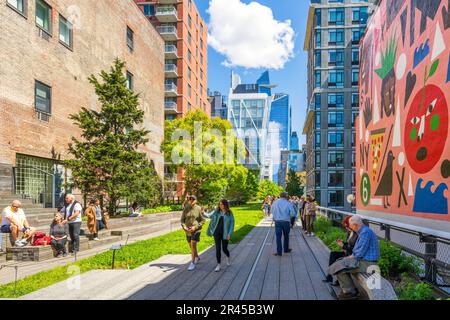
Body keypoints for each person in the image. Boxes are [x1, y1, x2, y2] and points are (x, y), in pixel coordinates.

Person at [334, 215, 380, 300]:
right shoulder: (363, 231)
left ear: (355, 225)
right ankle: (350, 291)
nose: (350, 227)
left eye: (350, 225)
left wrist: (348, 258)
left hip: (369, 264)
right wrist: (348, 258)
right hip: (363, 261)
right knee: (339, 263)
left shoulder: (365, 232)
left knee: (339, 267)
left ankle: (350, 292)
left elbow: (359, 253)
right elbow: (357, 251)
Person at [323, 216, 358, 284]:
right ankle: (329, 276)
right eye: (346, 227)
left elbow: (354, 249)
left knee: (340, 260)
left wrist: (343, 246)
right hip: (347, 253)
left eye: (347, 226)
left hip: (351, 255)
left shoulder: (357, 234)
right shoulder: (349, 232)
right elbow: (348, 244)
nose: (346, 228)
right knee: (333, 254)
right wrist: (343, 243)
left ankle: (339, 280)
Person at [206, 199, 235, 272]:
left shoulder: (229, 213)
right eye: (220, 204)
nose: (221, 206)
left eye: (222, 204)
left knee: (224, 248)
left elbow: (232, 224)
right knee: (218, 248)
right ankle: (218, 264)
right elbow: (209, 216)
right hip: (217, 232)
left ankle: (228, 257)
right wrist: (202, 212)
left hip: (225, 233)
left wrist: (229, 234)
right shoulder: (217, 212)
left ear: (225, 205)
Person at [181, 195, 205, 271]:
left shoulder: (198, 208)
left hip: (196, 230)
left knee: (193, 245)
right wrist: (184, 226)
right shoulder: (186, 209)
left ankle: (192, 263)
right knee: (191, 246)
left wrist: (195, 227)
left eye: (193, 199)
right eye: (190, 199)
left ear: (196, 201)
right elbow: (182, 220)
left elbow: (203, 220)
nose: (191, 200)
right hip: (187, 231)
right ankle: (197, 257)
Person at [271, 192, 296, 256]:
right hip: (286, 221)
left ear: (280, 196)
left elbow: (271, 211)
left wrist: (275, 216)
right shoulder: (288, 203)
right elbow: (293, 214)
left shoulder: (275, 202)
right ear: (285, 196)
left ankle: (279, 252)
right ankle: (286, 249)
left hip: (278, 221)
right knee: (286, 236)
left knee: (278, 237)